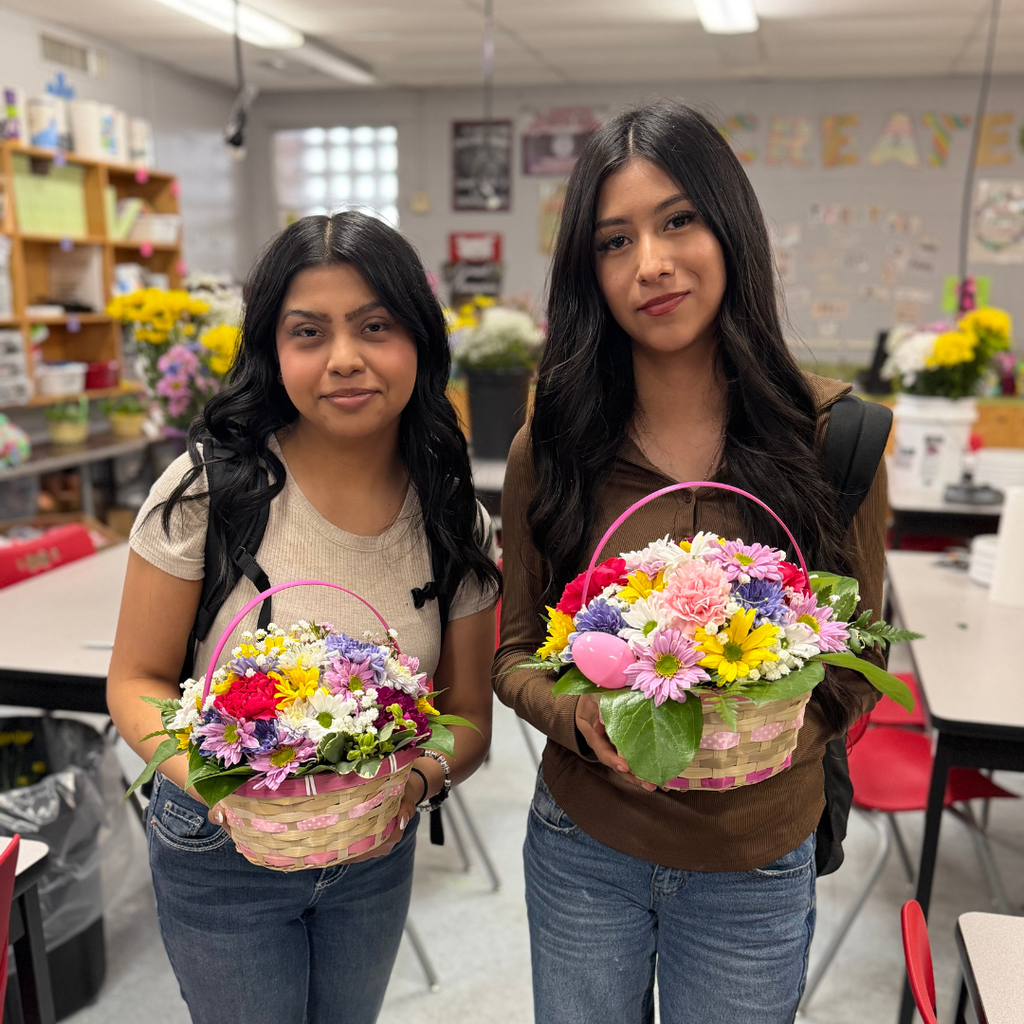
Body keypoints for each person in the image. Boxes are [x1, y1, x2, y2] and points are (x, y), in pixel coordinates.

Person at [493, 102, 887, 1024]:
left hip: (756, 862)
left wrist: (753, 732)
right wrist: (579, 714)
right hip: (586, 846)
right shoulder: (551, 446)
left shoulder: (836, 438)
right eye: (614, 241)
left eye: (678, 221)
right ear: (589, 272)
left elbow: (860, 662)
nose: (652, 264)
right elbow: (512, 652)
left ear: (730, 226)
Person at [108, 211, 500, 1024]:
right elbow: (135, 681)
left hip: (372, 846)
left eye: (375, 326)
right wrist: (227, 790)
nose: (345, 359)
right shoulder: (210, 491)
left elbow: (468, 720)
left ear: (419, 340)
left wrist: (411, 782)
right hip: (221, 846)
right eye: (309, 332)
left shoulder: (452, 514)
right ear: (272, 350)